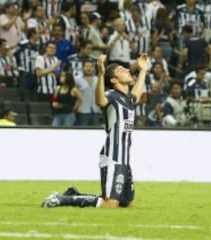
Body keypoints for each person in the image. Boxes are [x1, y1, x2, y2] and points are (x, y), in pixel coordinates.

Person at [41, 53, 148, 208]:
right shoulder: (111, 96)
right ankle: (62, 199)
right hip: (113, 157)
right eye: (120, 70)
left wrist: (143, 70)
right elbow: (100, 101)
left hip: (124, 159)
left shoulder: (128, 100)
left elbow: (137, 93)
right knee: (110, 204)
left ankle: (74, 195)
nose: (126, 70)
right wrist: (100, 73)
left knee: (126, 204)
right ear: (113, 80)